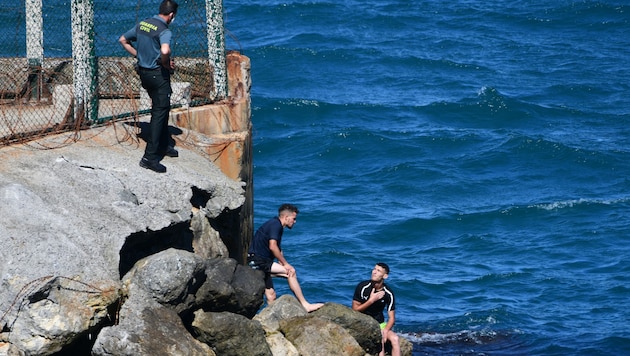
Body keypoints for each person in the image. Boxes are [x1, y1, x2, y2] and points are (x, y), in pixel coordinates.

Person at [119, 0, 179, 173]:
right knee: (159, 114)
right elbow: (165, 51)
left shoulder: (143, 24)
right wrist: (165, 63)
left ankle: (163, 145)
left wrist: (139, 55)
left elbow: (123, 40)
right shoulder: (164, 31)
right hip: (158, 75)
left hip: (144, 73)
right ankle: (149, 158)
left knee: (162, 108)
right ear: (171, 15)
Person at [247, 204, 324, 312]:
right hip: (259, 261)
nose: (295, 221)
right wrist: (286, 264)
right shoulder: (276, 225)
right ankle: (305, 304)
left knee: (271, 295)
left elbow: (277, 248)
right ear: (286, 217)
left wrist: (281, 261)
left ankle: (271, 317)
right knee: (290, 272)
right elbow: (272, 246)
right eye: (294, 218)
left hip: (257, 261)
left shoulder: (275, 224)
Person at [352, 262, 401, 356]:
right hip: (363, 322)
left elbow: (392, 318)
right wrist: (371, 300)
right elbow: (354, 310)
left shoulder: (388, 293)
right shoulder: (363, 287)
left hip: (380, 324)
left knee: (395, 339)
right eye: (374, 269)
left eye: (378, 271)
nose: (374, 272)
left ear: (385, 276)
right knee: (380, 342)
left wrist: (386, 331)